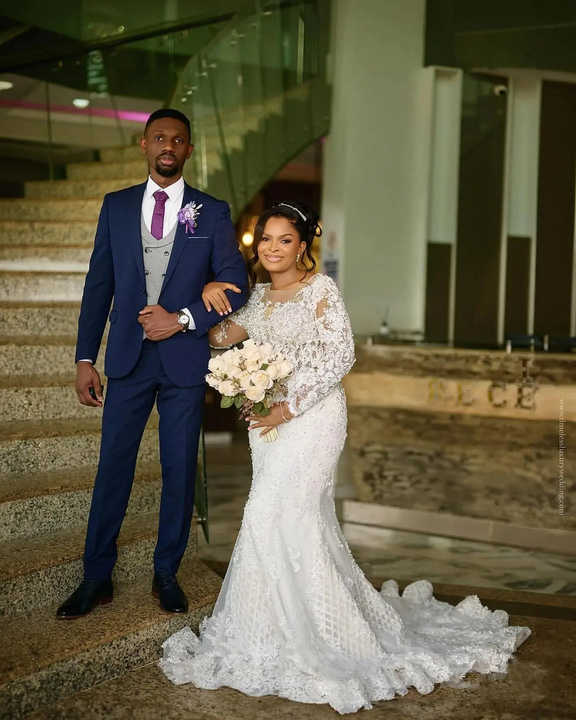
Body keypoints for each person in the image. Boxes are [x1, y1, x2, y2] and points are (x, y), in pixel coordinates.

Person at [157, 200, 532, 714]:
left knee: (275, 512)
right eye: (265, 239)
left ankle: (322, 632)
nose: (272, 248)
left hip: (311, 418)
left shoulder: (321, 291)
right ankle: (267, 625)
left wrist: (288, 406)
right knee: (283, 518)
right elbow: (221, 338)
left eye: (284, 240)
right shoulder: (257, 298)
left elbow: (341, 355)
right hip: (267, 423)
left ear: (302, 246)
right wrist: (208, 299)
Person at [56, 108, 248, 619]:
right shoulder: (116, 206)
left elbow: (236, 284)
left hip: (183, 361)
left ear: (188, 150)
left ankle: (166, 573)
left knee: (179, 469)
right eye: (159, 137)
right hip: (127, 359)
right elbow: (99, 285)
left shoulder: (211, 211)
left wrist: (182, 318)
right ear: (144, 144)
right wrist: (84, 357)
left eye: (178, 140)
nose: (168, 145)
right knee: (113, 467)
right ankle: (96, 575)